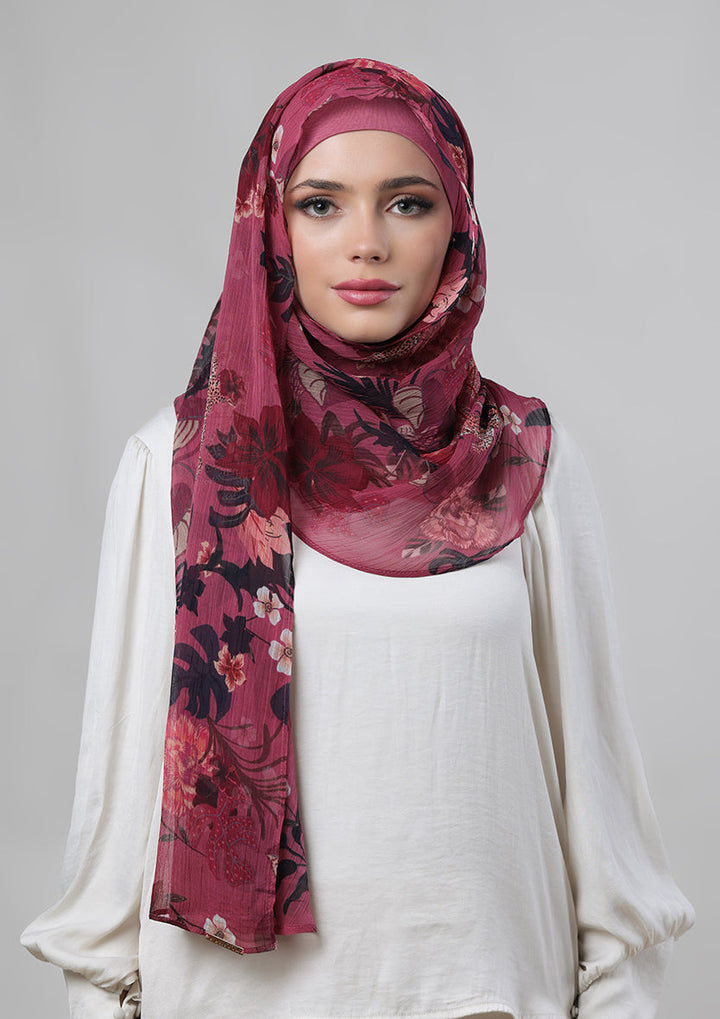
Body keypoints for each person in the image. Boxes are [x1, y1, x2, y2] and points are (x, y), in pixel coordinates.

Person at [21, 57, 694, 1019]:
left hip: (485, 998)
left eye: (407, 203)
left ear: (457, 229)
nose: (367, 243)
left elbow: (603, 811)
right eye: (322, 205)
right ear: (271, 227)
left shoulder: (527, 460)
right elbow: (115, 816)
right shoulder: (178, 462)